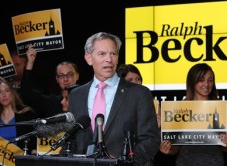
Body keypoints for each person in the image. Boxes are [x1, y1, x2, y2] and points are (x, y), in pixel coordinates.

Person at [67, 32, 160, 165]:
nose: (109, 59)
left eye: (113, 54)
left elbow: (150, 139)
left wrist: (124, 163)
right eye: (102, 54)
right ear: (88, 58)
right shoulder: (76, 94)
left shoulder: (139, 93)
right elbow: (72, 139)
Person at [161, 63, 227, 166]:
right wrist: (167, 149)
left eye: (210, 80)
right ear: (192, 81)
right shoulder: (180, 109)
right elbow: (175, 148)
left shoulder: (221, 108)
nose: (206, 84)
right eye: (201, 80)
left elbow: (225, 147)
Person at [20, 45, 80, 118]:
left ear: (77, 76)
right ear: (57, 79)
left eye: (69, 74)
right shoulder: (51, 102)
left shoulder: (88, 97)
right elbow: (26, 92)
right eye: (61, 76)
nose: (65, 79)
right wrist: (30, 62)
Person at [0, 76, 37, 155]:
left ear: (12, 93)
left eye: (7, 90)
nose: (4, 95)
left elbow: (33, 145)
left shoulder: (25, 114)